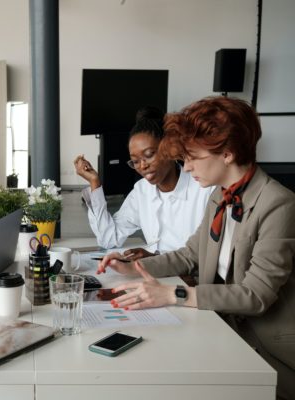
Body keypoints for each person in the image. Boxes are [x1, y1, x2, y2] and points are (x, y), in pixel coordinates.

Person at [98, 96, 295, 400]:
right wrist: (131, 268)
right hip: (219, 326)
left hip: (266, 347)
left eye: (192, 157)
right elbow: (190, 254)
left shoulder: (278, 204)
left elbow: (256, 295)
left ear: (227, 153)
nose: (186, 167)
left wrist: (174, 294)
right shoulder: (219, 194)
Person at [74, 106, 213, 260]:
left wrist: (155, 258)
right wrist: (95, 182)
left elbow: (206, 255)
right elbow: (108, 239)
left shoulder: (203, 189)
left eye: (149, 155)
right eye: (135, 161)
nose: (142, 165)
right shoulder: (142, 191)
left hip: (189, 279)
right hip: (154, 276)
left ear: (170, 149)